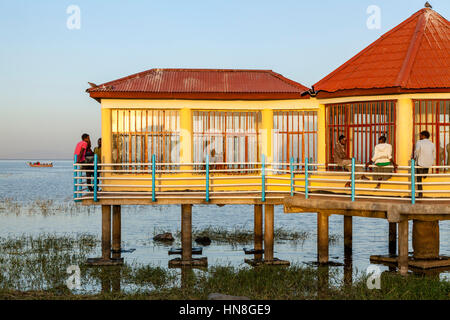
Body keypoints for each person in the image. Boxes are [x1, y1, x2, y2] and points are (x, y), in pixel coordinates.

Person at [414, 130, 436, 198]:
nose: (419, 137)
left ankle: (420, 194)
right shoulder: (432, 144)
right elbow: (434, 155)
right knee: (424, 175)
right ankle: (424, 174)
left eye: (420, 135)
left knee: (419, 179)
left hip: (420, 163)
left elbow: (417, 151)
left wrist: (414, 158)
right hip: (428, 163)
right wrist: (431, 161)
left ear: (424, 136)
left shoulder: (419, 142)